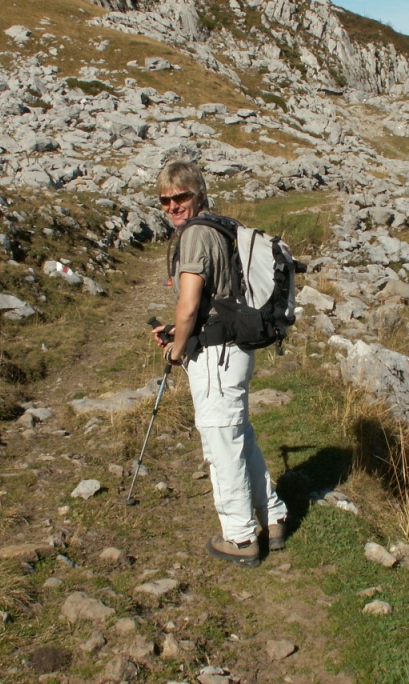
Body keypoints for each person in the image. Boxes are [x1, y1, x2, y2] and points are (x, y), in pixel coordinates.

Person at [152, 160, 288, 567]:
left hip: (215, 358)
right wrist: (176, 331)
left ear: (199, 194)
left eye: (181, 196)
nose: (173, 206)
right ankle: (273, 516)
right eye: (165, 200)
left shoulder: (195, 235)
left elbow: (189, 304)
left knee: (221, 445)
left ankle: (241, 538)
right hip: (234, 350)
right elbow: (216, 301)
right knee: (238, 436)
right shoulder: (220, 227)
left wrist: (177, 349)